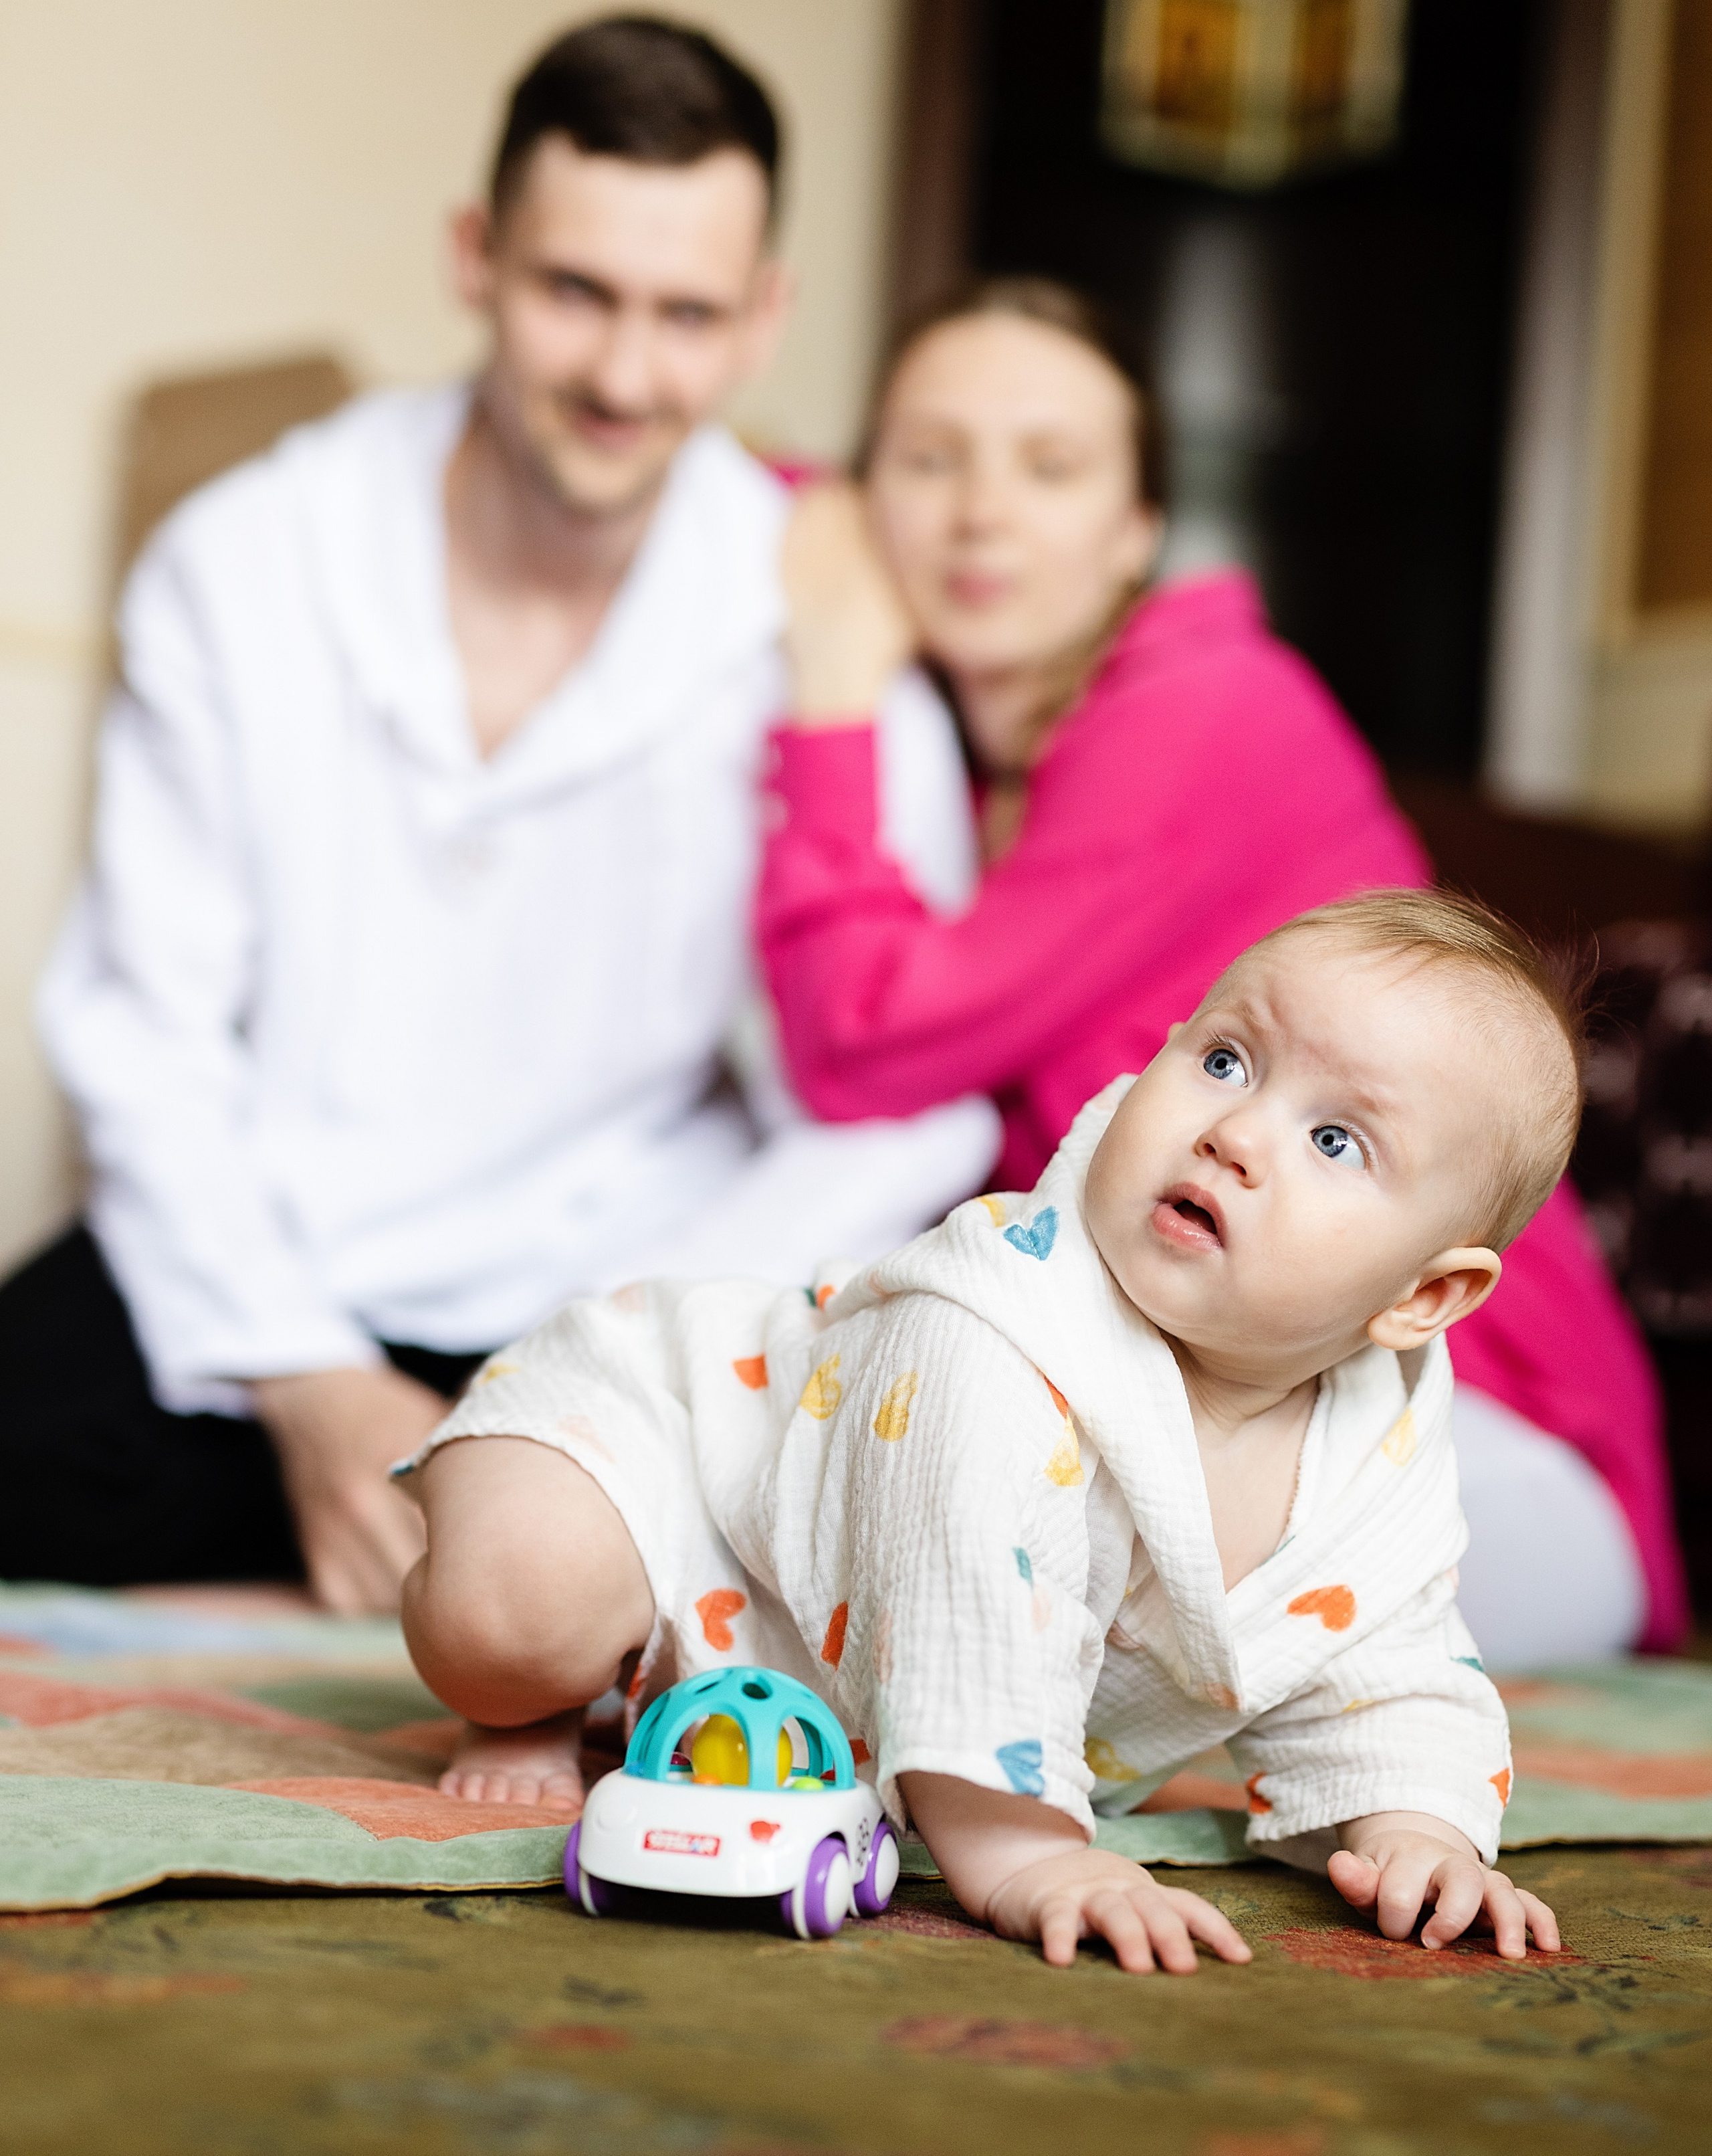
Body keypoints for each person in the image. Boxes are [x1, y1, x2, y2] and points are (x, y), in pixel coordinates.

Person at [0, 17, 994, 1614]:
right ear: (476, 254)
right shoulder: (243, 559)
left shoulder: (827, 626)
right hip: (273, 1274)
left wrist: (605, 1366)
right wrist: (314, 1388)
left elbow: (901, 1093)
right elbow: (141, 1030)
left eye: (686, 315)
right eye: (574, 292)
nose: (623, 374)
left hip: (613, 1294)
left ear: (764, 318)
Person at [758, 278, 1689, 1665]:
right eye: (928, 456)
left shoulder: (1206, 708)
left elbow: (856, 1041)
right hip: (1210, 1407)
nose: (979, 512)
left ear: (1135, 528)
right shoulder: (975, 771)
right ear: (861, 501)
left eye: (1049, 465)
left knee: (948, 1575)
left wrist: (827, 696)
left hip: (1456, 1429)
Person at [397, 892, 1570, 1971]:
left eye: (1335, 1142)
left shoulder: (1382, 1454)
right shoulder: (992, 1323)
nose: (1237, 1134)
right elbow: (967, 1595)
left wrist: (1420, 1829)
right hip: (675, 1442)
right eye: (1224, 1060)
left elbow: (1393, 1660)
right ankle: (547, 1690)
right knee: (514, 1618)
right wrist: (1026, 1847)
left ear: (1422, 1300)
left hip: (829, 1650)